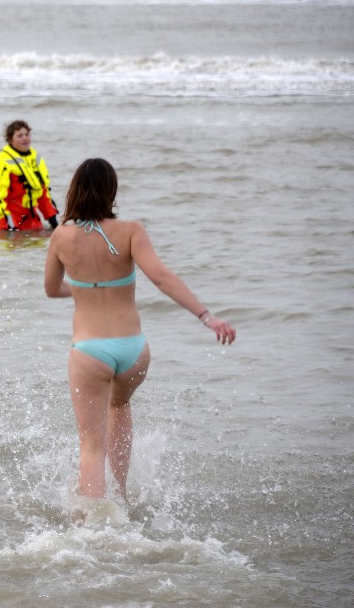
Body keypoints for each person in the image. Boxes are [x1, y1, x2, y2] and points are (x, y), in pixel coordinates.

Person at [43, 158, 236, 502]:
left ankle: (97, 524)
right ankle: (122, 494)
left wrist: (87, 287)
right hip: (134, 351)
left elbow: (51, 289)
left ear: (73, 191)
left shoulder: (61, 236)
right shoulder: (131, 230)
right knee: (119, 408)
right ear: (111, 191)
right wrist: (207, 317)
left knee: (90, 447)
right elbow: (161, 278)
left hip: (90, 352)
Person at [0, 120, 59, 231]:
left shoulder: (36, 159)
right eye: (20, 135)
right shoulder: (1, 162)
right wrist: (7, 226)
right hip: (9, 223)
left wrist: (55, 224)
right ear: (10, 139)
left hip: (32, 222)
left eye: (27, 134)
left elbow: (43, 195)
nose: (25, 138)